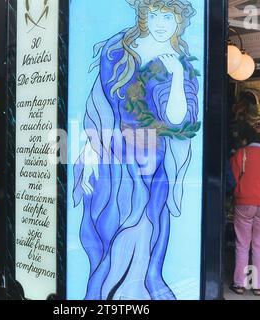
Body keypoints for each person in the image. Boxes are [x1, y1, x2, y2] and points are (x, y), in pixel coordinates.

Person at [73, 0, 199, 300]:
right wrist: (90, 150)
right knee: (106, 231)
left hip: (153, 162)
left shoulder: (180, 61)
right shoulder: (118, 51)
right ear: (144, 15)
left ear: (178, 20)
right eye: (154, 14)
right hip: (111, 157)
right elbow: (98, 105)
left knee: (146, 229)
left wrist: (178, 76)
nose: (160, 22)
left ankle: (133, 295)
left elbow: (179, 121)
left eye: (168, 16)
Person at [229, 125, 260, 296]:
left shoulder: (240, 154)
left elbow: (232, 180)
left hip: (245, 203)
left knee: (243, 243)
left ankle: (240, 284)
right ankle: (258, 285)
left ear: (244, 140)